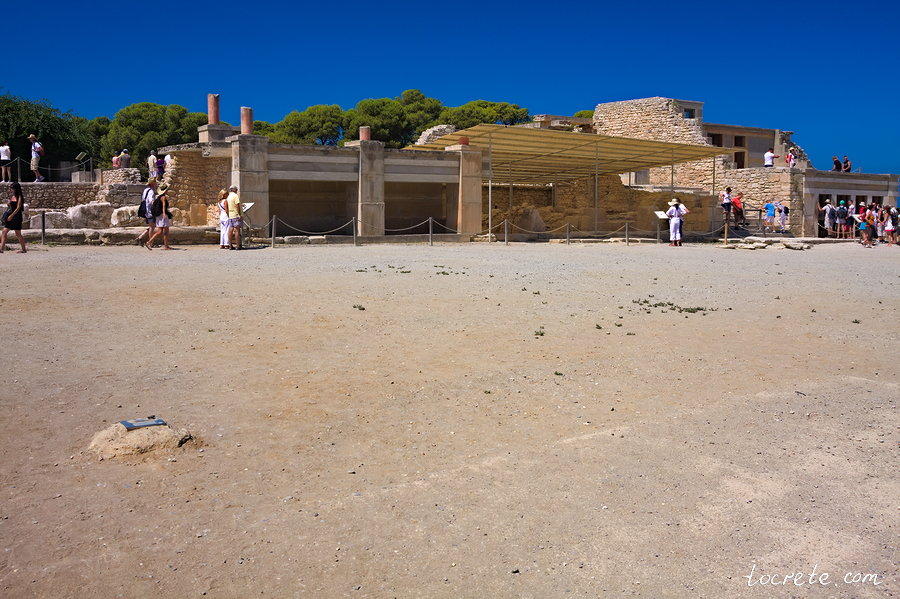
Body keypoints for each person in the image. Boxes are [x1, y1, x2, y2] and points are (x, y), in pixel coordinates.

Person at [1, 182, 27, 253]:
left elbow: (18, 207)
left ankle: (24, 249)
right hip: (10, 216)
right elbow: (12, 206)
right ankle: (1, 248)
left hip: (16, 217)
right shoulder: (12, 196)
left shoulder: (19, 196)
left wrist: (11, 216)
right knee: (4, 232)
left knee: (18, 233)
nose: (11, 189)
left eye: (12, 188)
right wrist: (9, 204)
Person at [146, 184, 173, 250]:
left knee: (163, 231)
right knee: (162, 231)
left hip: (159, 216)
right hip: (162, 216)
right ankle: (149, 242)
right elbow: (163, 205)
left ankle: (166, 246)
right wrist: (164, 213)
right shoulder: (163, 197)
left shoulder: (159, 197)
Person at [136, 178, 158, 246]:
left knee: (152, 226)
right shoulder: (151, 191)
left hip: (146, 211)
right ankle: (151, 243)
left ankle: (140, 237)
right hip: (150, 211)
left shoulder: (145, 190)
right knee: (152, 227)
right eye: (155, 183)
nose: (156, 184)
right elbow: (151, 201)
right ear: (152, 184)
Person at [226, 185, 242, 250]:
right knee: (237, 230)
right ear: (234, 189)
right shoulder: (235, 196)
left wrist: (228, 214)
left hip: (230, 214)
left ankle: (230, 245)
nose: (237, 190)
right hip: (235, 214)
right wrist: (239, 214)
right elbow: (237, 205)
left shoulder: (228, 196)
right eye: (236, 189)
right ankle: (238, 245)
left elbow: (226, 206)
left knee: (230, 230)